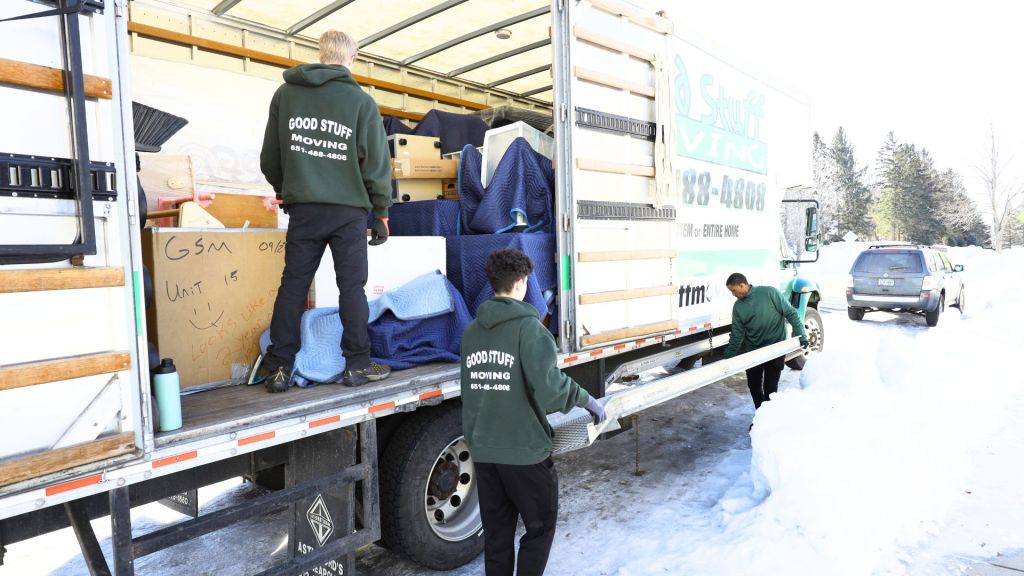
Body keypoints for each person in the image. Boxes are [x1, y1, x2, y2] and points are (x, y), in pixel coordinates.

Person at [260, 29, 392, 393]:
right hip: (348, 211)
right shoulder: (361, 103)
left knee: (293, 286)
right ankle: (356, 366)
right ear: (352, 58)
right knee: (352, 287)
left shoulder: (286, 95)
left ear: (321, 54)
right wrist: (380, 211)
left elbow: (270, 158)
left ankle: (279, 368)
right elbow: (376, 166)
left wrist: (285, 191)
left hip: (303, 209)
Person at [461, 248, 606, 576]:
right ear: (522, 282)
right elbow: (551, 390)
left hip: (484, 452)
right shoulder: (530, 329)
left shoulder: (471, 333)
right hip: (525, 453)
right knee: (539, 529)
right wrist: (587, 400)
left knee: (497, 537)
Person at [723, 272, 809, 410]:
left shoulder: (769, 293)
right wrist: (728, 356)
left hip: (775, 350)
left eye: (733, 290)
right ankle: (760, 415)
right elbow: (737, 334)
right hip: (753, 351)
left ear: (742, 285)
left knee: (770, 389)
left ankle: (768, 418)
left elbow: (791, 313)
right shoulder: (738, 307)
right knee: (753, 386)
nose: (733, 294)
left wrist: (801, 334)